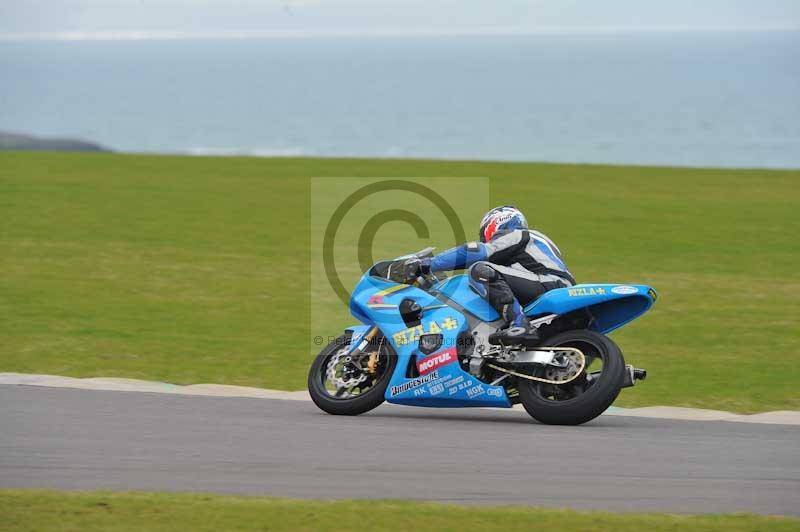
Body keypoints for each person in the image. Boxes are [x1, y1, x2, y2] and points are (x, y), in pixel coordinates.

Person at [406, 205, 575, 343]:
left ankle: (519, 324)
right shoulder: (529, 248)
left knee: (480, 270)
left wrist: (428, 264)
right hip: (552, 285)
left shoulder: (517, 234)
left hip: (550, 283)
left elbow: (475, 252)